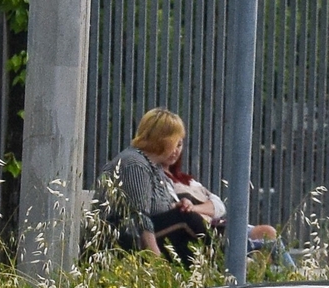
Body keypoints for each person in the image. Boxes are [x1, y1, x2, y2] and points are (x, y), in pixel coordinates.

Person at [105, 108, 277, 266]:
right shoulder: (135, 163)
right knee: (186, 219)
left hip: (151, 231)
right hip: (122, 235)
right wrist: (156, 261)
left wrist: (178, 205)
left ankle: (228, 265)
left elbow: (158, 207)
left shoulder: (154, 166)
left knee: (188, 216)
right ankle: (232, 264)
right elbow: (139, 217)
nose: (177, 149)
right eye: (175, 142)